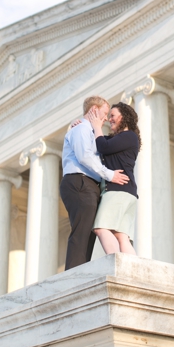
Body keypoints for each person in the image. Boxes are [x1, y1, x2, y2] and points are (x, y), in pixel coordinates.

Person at [60, 96, 129, 270]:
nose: (106, 118)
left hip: (87, 184)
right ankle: (74, 276)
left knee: (87, 232)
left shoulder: (88, 131)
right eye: (105, 113)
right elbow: (85, 157)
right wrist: (110, 175)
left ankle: (79, 272)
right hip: (80, 182)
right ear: (94, 110)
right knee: (82, 231)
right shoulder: (81, 129)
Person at [88, 102, 140, 255]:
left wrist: (97, 126)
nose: (109, 119)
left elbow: (103, 146)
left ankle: (116, 266)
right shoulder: (125, 138)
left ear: (123, 117)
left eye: (112, 115)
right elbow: (100, 141)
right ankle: (132, 273)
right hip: (127, 193)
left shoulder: (129, 135)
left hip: (118, 190)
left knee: (100, 228)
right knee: (121, 236)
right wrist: (80, 125)